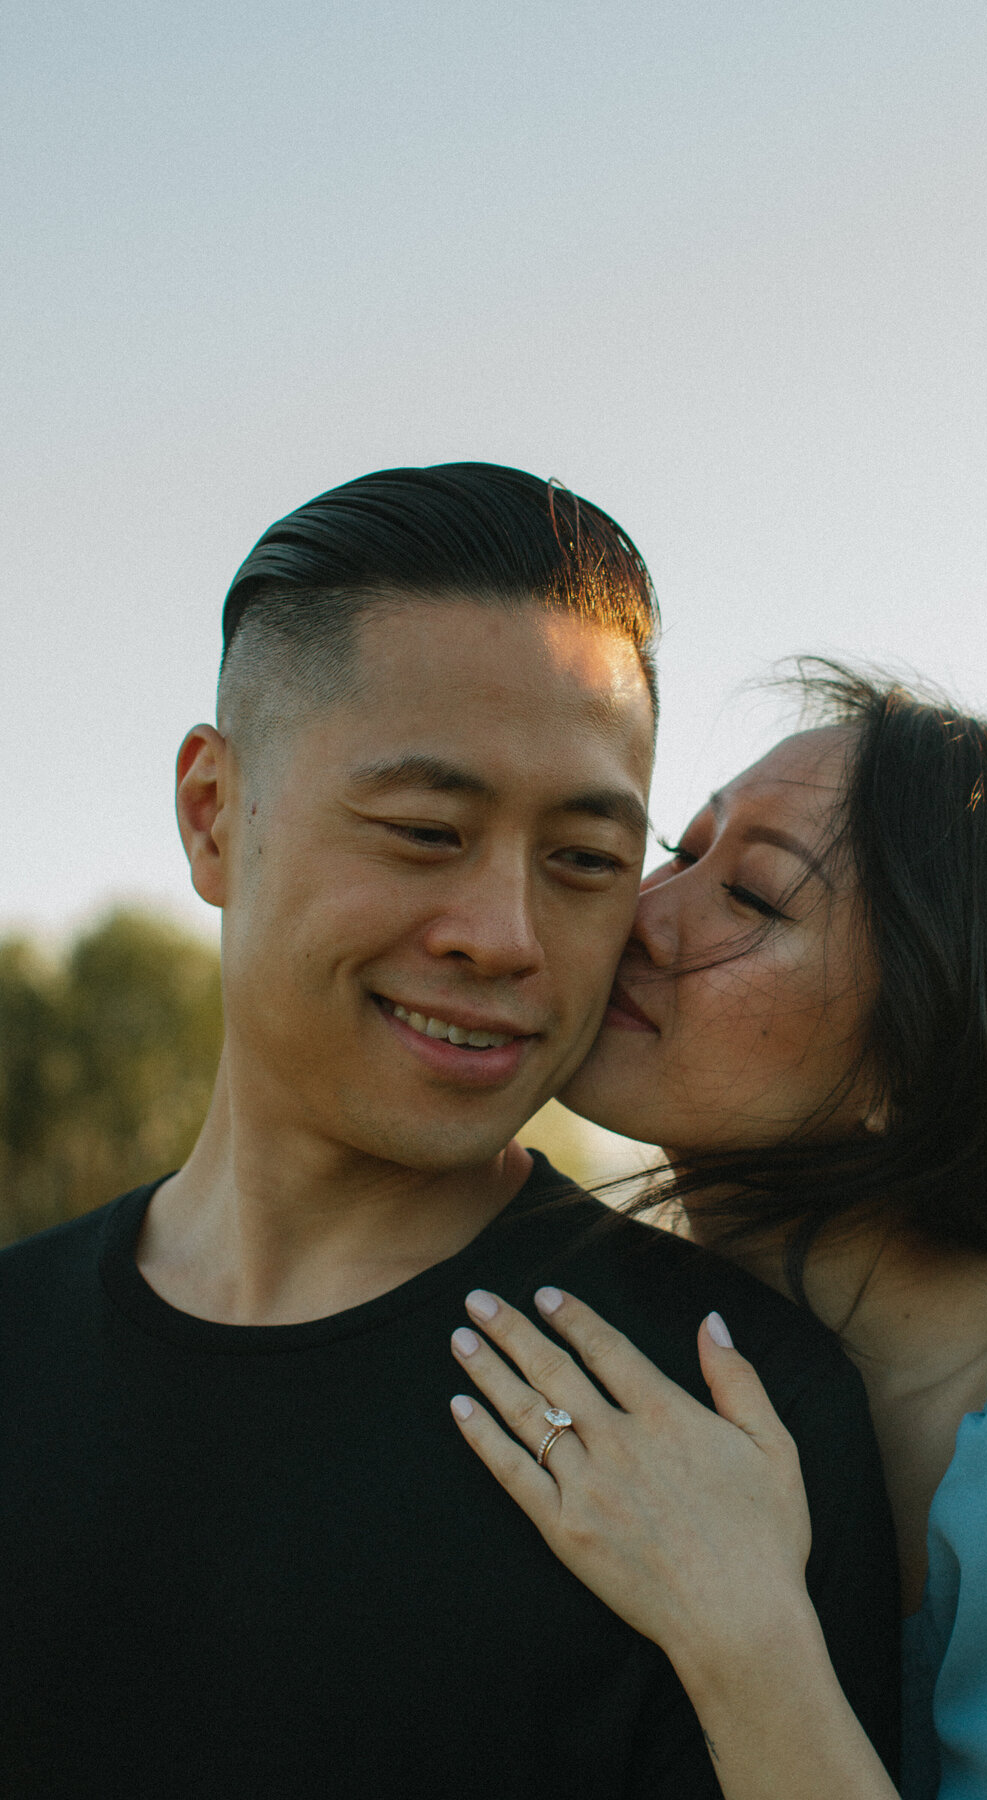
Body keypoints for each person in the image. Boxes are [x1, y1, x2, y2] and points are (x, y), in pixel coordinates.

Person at [0, 476, 900, 1797]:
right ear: (211, 816)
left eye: (586, 859)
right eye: (426, 832)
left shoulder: (727, 1416)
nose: (508, 935)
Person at [449, 665, 987, 1800]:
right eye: (680, 854)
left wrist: (742, 1631)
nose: (642, 917)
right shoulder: (654, 1339)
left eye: (751, 897)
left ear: (923, 1053)